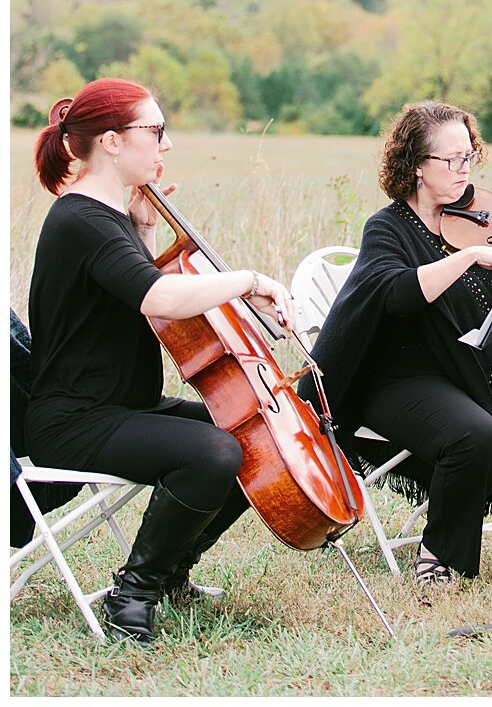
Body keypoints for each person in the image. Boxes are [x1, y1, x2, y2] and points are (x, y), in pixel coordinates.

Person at [26, 78, 295, 643]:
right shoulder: (81, 220)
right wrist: (245, 280)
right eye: (156, 130)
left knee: (255, 438)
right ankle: (134, 593)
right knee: (213, 452)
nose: (166, 144)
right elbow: (159, 298)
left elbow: (131, 298)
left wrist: (144, 234)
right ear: (113, 141)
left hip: (123, 408)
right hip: (74, 419)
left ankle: (171, 571)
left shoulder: (109, 219)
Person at [299, 100, 492, 585]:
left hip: (477, 371)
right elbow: (396, 294)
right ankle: (440, 554)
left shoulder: (482, 222)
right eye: (452, 160)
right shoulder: (389, 227)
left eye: (469, 156)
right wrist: (469, 259)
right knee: (475, 435)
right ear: (416, 168)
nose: (465, 169)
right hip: (401, 379)